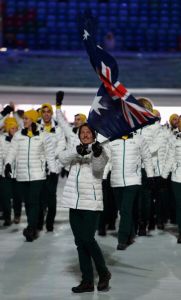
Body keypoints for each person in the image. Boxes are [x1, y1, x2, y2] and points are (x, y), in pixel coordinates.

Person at [58, 123, 111, 293]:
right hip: (74, 202)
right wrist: (76, 151)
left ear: (94, 135)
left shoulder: (101, 149)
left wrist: (96, 153)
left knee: (88, 239)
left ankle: (104, 273)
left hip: (91, 203)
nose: (86, 134)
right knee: (79, 243)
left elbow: (98, 168)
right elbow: (62, 158)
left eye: (89, 132)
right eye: (83, 132)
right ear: (79, 135)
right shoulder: (75, 148)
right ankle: (87, 280)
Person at [5, 110, 56, 241]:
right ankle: (35, 224)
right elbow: (12, 151)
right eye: (24, 118)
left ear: (33, 120)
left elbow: (49, 155)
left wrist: (53, 170)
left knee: (33, 201)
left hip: (37, 175)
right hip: (22, 175)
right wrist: (8, 164)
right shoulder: (18, 136)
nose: (24, 120)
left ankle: (31, 228)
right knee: (28, 203)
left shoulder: (43, 135)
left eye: (27, 118)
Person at [37, 102, 66, 232]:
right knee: (40, 196)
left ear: (51, 113)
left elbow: (61, 145)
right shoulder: (36, 128)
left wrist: (50, 156)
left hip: (53, 168)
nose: (46, 114)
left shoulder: (58, 129)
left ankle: (50, 223)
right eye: (44, 111)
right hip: (39, 168)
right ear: (41, 114)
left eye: (49, 111)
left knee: (51, 197)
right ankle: (38, 221)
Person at [162, 119, 181, 243]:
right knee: (179, 206)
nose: (179, 123)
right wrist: (164, 175)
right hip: (177, 177)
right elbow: (170, 157)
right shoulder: (174, 139)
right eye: (179, 122)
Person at [0, 117, 21, 225]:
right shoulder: (1, 139)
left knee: (17, 196)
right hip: (5, 173)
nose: (14, 130)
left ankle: (17, 214)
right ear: (8, 129)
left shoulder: (21, 139)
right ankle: (7, 217)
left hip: (18, 173)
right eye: (12, 128)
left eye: (16, 128)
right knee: (5, 196)